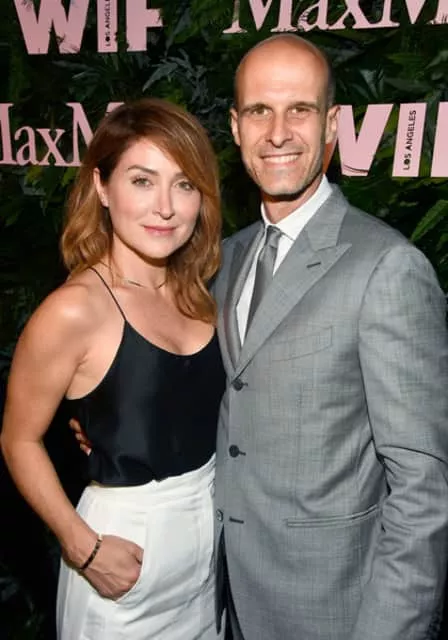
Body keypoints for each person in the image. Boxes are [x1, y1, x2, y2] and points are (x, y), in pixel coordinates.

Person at [212, 34, 448, 640]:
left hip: (334, 613)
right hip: (224, 603)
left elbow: (423, 491)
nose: (278, 132)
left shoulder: (387, 267)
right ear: (236, 127)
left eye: (300, 109)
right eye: (259, 110)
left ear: (333, 125)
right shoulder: (225, 259)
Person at [0, 98, 226, 640]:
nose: (165, 207)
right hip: (125, 555)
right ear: (102, 187)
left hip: (211, 551)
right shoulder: (74, 310)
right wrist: (83, 547)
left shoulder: (201, 292)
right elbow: (18, 439)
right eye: (142, 180)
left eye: (184, 184)